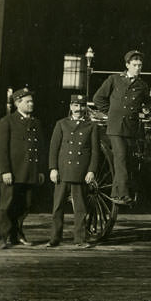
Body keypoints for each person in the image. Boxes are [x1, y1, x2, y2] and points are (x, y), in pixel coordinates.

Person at [93, 50, 150, 206]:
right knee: (121, 158)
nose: (138, 68)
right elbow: (98, 98)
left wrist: (146, 109)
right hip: (116, 128)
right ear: (127, 65)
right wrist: (111, 113)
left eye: (140, 65)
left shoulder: (142, 85)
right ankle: (122, 195)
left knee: (129, 161)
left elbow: (148, 102)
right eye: (134, 65)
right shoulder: (114, 79)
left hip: (131, 128)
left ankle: (119, 193)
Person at [46, 94, 99, 248]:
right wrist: (53, 168)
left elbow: (95, 152)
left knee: (81, 208)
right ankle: (54, 238)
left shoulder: (91, 126)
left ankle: (80, 239)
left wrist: (91, 171)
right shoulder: (61, 124)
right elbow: (53, 149)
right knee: (57, 207)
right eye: (75, 105)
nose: (79, 109)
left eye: (82, 106)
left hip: (80, 172)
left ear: (85, 108)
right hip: (62, 172)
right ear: (70, 107)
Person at [0, 88, 44, 248]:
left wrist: (40, 171)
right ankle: (2, 237)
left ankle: (17, 234)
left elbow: (40, 148)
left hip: (30, 172)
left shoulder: (36, 123)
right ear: (17, 103)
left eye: (32, 101)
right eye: (27, 101)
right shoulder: (7, 121)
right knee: (7, 205)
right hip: (12, 173)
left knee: (25, 205)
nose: (32, 104)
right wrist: (5, 171)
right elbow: (0, 149)